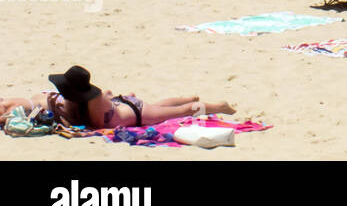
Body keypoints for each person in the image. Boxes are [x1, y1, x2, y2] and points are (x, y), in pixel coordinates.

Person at [22, 66, 236, 129]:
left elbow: (87, 125)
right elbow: (105, 95)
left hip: (136, 113)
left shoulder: (87, 109)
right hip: (125, 104)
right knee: (158, 105)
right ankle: (188, 96)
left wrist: (57, 113)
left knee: (184, 111)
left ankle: (219, 106)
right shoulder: (90, 98)